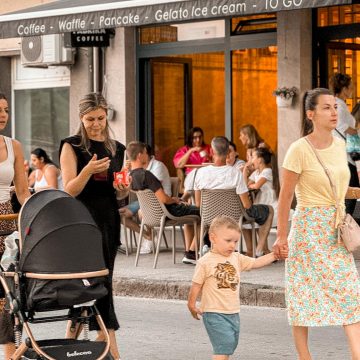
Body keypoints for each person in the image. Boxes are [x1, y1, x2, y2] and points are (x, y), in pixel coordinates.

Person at [273, 88, 360, 360]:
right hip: (308, 229)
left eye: (335, 107)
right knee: (301, 293)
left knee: (349, 291)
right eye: (327, 108)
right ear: (311, 114)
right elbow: (285, 198)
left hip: (335, 230)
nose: (334, 112)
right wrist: (281, 237)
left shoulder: (341, 145)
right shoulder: (299, 149)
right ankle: (304, 356)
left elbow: (338, 189)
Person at [59, 92, 125, 359]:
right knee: (88, 282)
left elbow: (119, 195)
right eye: (90, 119)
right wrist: (87, 170)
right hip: (81, 220)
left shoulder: (116, 148)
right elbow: (69, 190)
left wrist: (122, 189)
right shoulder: (72, 146)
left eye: (100, 118)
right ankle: (112, 344)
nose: (96, 124)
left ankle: (71, 339)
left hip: (109, 219)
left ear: (106, 115)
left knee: (103, 280)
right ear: (80, 118)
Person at [187, 216, 284, 360]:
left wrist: (275, 255)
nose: (232, 245)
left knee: (229, 345)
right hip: (214, 312)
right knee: (223, 346)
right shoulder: (205, 262)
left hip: (233, 312)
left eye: (235, 241)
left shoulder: (236, 258)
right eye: (228, 241)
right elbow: (196, 286)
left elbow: (257, 262)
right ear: (213, 238)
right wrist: (191, 305)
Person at [193, 136, 274, 258]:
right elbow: (246, 205)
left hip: (209, 217)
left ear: (211, 152)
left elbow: (198, 204)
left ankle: (255, 249)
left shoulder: (200, 173)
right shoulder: (235, 174)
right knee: (269, 210)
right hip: (234, 217)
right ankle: (260, 249)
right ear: (228, 153)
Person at [127, 141, 200, 265]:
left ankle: (190, 252)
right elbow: (164, 199)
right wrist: (176, 200)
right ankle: (192, 253)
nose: (147, 155)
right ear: (139, 155)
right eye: (145, 153)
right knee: (203, 213)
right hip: (167, 212)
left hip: (149, 216)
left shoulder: (130, 177)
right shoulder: (147, 175)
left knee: (194, 214)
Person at [0, 93, 31, 359]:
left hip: (8, 222)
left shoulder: (14, 145)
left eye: (6, 110)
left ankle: (9, 354)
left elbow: (21, 191)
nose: (3, 115)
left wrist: (36, 210)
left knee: (8, 290)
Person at [119, 143, 172, 254]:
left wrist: (132, 176)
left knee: (142, 211)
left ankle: (149, 238)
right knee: (119, 215)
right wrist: (125, 170)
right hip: (142, 200)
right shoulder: (135, 169)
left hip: (160, 201)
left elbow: (151, 190)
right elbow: (121, 186)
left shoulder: (158, 166)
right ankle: (147, 235)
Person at [330, 73, 360, 214]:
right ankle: (344, 231)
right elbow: (344, 128)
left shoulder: (336, 104)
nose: (352, 90)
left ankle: (343, 230)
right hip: (344, 156)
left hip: (341, 154)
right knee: (349, 195)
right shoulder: (339, 107)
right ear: (344, 88)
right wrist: (357, 130)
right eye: (351, 87)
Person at [243, 147, 280, 254]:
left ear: (259, 160)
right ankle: (263, 250)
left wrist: (251, 185)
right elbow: (246, 185)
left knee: (262, 220)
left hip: (270, 202)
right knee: (258, 219)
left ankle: (264, 250)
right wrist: (245, 172)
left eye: (253, 157)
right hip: (261, 201)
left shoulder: (267, 171)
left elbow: (257, 185)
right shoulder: (256, 173)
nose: (251, 160)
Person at [173, 127, 211, 194]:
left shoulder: (208, 148)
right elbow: (178, 165)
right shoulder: (184, 150)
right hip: (191, 175)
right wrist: (191, 151)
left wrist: (209, 157)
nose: (198, 140)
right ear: (190, 139)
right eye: (195, 138)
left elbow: (217, 163)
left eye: (200, 137)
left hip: (207, 175)